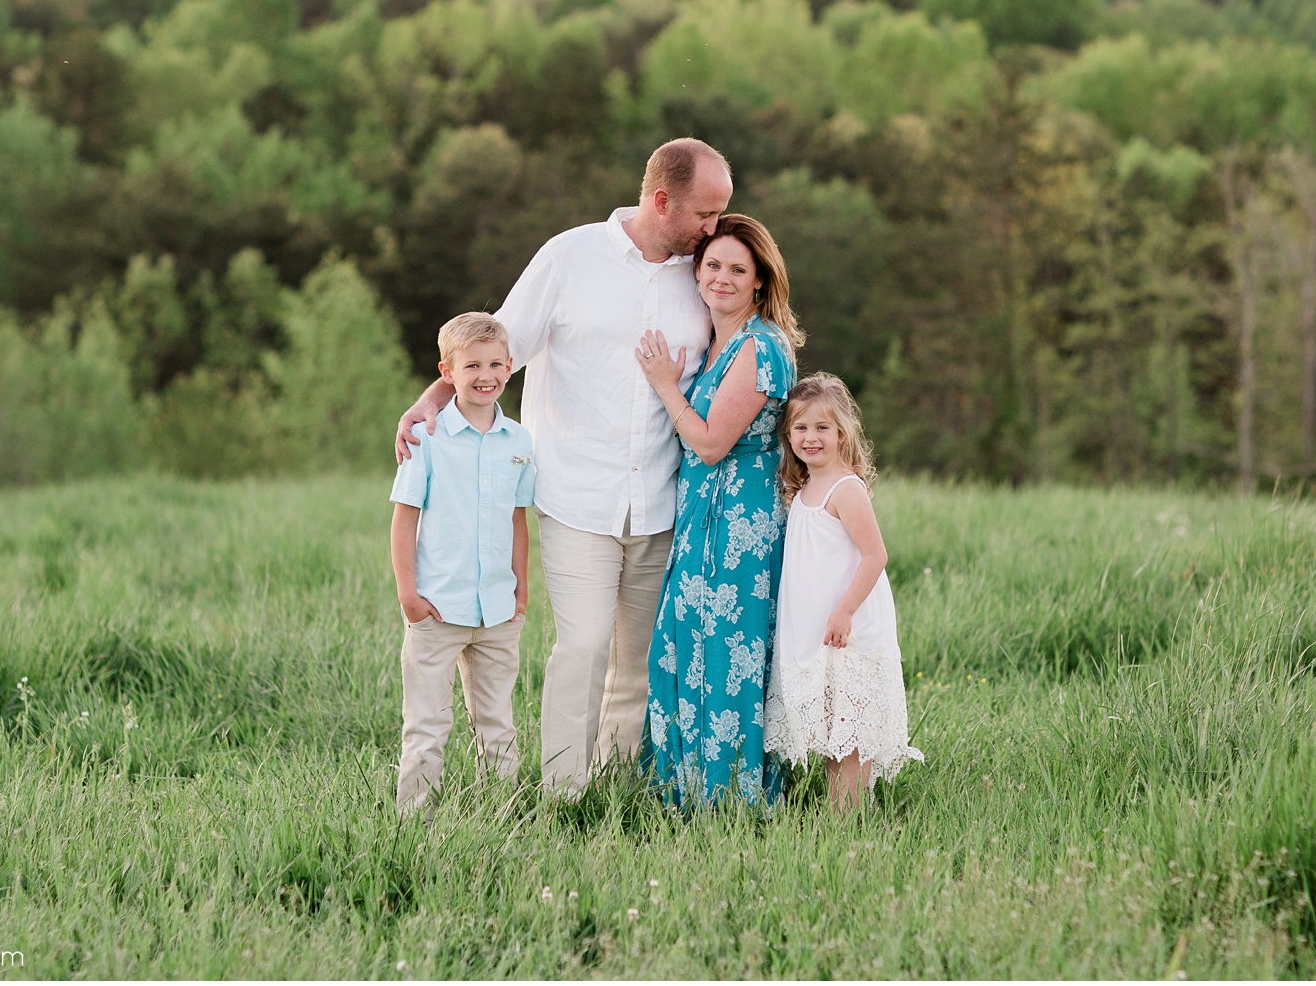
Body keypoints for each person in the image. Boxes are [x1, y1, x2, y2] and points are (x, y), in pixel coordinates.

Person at [394, 138, 734, 796]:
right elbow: (497, 345)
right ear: (662, 200)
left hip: (661, 501)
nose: (714, 229)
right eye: (705, 212)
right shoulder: (569, 256)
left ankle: (614, 788)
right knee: (581, 648)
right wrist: (430, 398)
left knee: (633, 662)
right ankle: (563, 793)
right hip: (575, 494)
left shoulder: (703, 277)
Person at [634, 214, 802, 809]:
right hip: (702, 522)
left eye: (738, 269)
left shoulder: (760, 348)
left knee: (729, 653)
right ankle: (682, 793)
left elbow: (709, 442)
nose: (722, 278)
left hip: (741, 530)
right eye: (712, 266)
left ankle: (733, 801)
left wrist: (664, 384)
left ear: (760, 281)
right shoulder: (718, 345)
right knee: (686, 648)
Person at [388, 313, 536, 816]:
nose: (485, 374)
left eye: (495, 363)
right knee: (427, 724)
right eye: (471, 365)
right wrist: (408, 595)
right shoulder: (426, 438)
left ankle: (500, 816)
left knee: (497, 722)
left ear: (510, 367)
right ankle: (415, 820)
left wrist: (520, 592)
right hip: (437, 607)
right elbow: (404, 521)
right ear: (446, 371)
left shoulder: (518, 442)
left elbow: (518, 520)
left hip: (497, 609)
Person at [763, 373, 922, 810]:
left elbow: (876, 556)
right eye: (800, 428)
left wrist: (844, 611)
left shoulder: (845, 489)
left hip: (848, 629)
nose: (810, 438)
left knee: (849, 736)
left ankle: (845, 822)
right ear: (788, 434)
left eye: (822, 428)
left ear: (842, 433)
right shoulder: (804, 487)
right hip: (819, 631)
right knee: (835, 733)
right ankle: (846, 814)